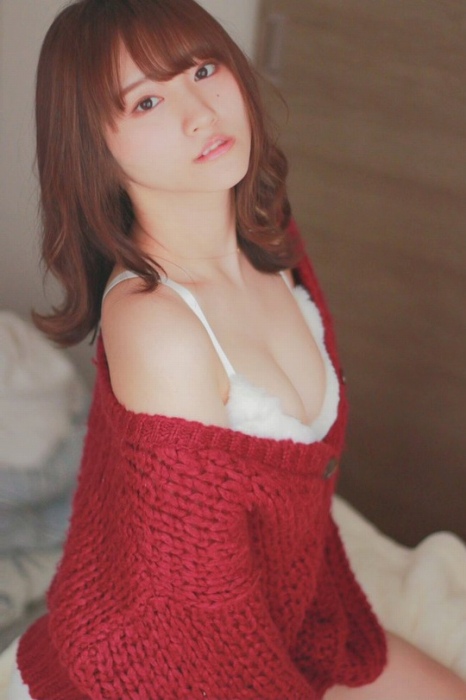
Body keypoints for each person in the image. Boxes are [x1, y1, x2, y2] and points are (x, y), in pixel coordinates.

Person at [12, 0, 466, 698]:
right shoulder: (159, 327)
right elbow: (192, 622)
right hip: (161, 666)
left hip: (290, 613)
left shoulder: (271, 234)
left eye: (203, 69)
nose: (200, 113)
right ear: (93, 145)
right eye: (147, 101)